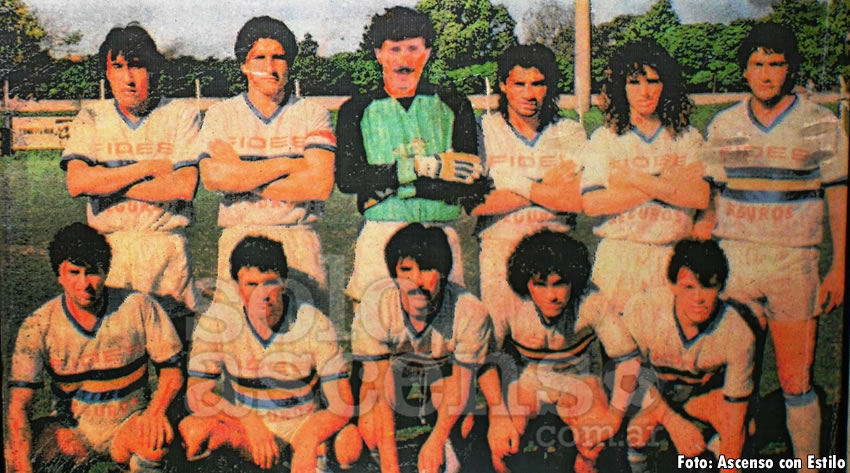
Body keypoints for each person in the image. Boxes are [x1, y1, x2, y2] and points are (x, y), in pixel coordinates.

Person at [700, 23, 846, 472]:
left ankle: (809, 464)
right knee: (735, 377)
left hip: (794, 262)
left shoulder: (821, 123)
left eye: (776, 64)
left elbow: (839, 198)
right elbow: (708, 206)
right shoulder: (724, 124)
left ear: (790, 69)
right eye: (758, 64)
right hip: (735, 263)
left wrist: (840, 267)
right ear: (745, 70)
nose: (766, 74)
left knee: (795, 379)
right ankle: (730, 461)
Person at [335, 6, 487, 306]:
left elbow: (465, 180)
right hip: (381, 234)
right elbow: (349, 178)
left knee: (446, 327)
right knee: (376, 326)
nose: (403, 60)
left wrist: (389, 184)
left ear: (427, 52)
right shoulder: (356, 109)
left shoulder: (454, 104)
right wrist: (424, 166)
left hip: (440, 233)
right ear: (379, 53)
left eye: (413, 49)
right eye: (394, 49)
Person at [6, 223, 184, 473]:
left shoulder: (138, 306)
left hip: (127, 424)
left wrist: (155, 412)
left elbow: (172, 370)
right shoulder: (38, 325)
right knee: (14, 453)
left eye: (92, 272)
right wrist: (23, 467)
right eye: (74, 273)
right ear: (59, 275)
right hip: (72, 432)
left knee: (155, 441)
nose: (84, 284)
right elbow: (19, 405)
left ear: (105, 271)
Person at [61, 24, 200, 336]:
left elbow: (183, 186)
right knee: (115, 354)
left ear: (153, 70)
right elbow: (78, 183)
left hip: (168, 254)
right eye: (118, 67)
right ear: (107, 73)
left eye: (137, 65)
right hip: (110, 254)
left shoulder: (181, 113)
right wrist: (148, 167)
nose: (128, 77)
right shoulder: (92, 116)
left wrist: (106, 182)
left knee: (179, 352)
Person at [178, 236, 353, 472]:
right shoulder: (218, 320)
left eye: (270, 283)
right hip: (248, 430)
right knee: (193, 430)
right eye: (251, 284)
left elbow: (342, 403)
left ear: (284, 283)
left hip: (301, 427)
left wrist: (309, 440)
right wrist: (247, 419)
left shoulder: (313, 322)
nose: (262, 294)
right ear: (236, 286)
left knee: (349, 443)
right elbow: (196, 393)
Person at [198, 16, 335, 307]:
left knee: (307, 330)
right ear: (243, 65)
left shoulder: (312, 113)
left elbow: (320, 184)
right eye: (259, 58)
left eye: (278, 58)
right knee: (238, 332)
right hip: (239, 239)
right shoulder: (222, 115)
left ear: (290, 64)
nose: (270, 67)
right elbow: (214, 178)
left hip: (299, 240)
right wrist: (289, 163)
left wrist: (242, 175)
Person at [488, 230, 640, 473]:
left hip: (581, 379)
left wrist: (614, 415)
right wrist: (498, 417)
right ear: (526, 283)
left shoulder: (591, 299)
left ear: (574, 281)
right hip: (530, 379)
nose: (551, 296)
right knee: (503, 444)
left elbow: (628, 359)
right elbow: (483, 361)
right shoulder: (507, 300)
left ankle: (585, 462)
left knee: (594, 443)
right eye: (540, 284)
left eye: (559, 283)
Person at [581, 39, 709, 316]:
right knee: (618, 342)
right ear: (621, 87)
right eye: (634, 83)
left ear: (667, 84)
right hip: (619, 257)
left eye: (653, 81)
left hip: (671, 256)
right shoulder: (605, 139)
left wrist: (631, 178)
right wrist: (668, 181)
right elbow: (593, 203)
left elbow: (700, 196)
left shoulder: (688, 137)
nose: (645, 92)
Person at [350, 223, 492, 473]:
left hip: (441, 374)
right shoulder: (375, 305)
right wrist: (390, 467)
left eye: (427, 269)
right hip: (393, 375)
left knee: (464, 425)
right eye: (406, 270)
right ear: (394, 274)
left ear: (444, 272)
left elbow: (462, 384)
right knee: (371, 430)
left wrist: (437, 440)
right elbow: (378, 390)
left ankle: (447, 448)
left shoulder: (469, 309)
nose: (416, 281)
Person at [473, 43, 586, 331]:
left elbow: (575, 199)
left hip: (557, 255)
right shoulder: (484, 130)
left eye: (537, 83)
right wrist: (545, 186)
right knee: (501, 343)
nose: (528, 94)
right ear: (503, 85)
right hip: (500, 252)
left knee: (555, 345)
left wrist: (510, 185)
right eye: (519, 84)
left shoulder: (568, 131)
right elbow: (474, 203)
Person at [621, 239, 756, 473]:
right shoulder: (643, 309)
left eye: (709, 287)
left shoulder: (738, 332)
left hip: (696, 398)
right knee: (638, 430)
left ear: (721, 287)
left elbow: (736, 421)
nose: (699, 298)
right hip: (649, 396)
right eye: (689, 287)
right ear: (672, 285)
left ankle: (707, 457)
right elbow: (629, 379)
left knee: (744, 426)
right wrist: (672, 422)